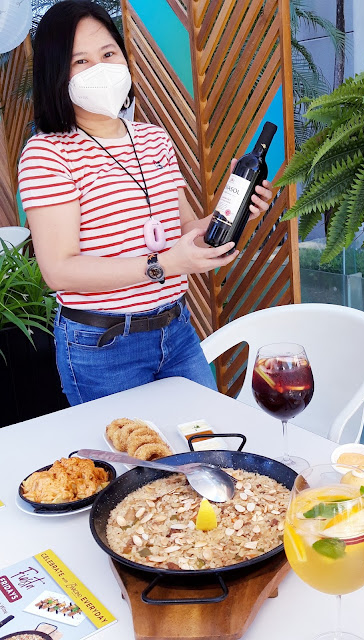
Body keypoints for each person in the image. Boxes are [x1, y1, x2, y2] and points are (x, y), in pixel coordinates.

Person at [18, 0, 273, 405]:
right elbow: (59, 270)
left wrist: (235, 212)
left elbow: (184, 229)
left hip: (176, 329)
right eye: (81, 61)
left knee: (207, 439)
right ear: (56, 73)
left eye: (108, 53)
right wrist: (164, 265)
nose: (100, 69)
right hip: (103, 344)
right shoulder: (48, 154)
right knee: (132, 450)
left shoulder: (153, 138)